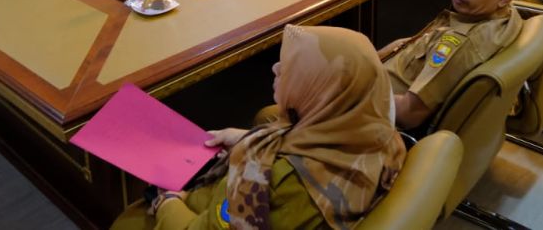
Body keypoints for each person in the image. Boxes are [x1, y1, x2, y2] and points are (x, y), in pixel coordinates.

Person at [111, 25, 406, 229]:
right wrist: (247, 138)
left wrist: (168, 202)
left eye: (289, 69)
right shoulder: (377, 134)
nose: (275, 69)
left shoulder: (271, 182)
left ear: (320, 92)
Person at [379, 0, 524, 130]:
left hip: (374, 111)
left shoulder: (457, 44)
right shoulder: (507, 15)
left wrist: (359, 94)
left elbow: (409, 113)